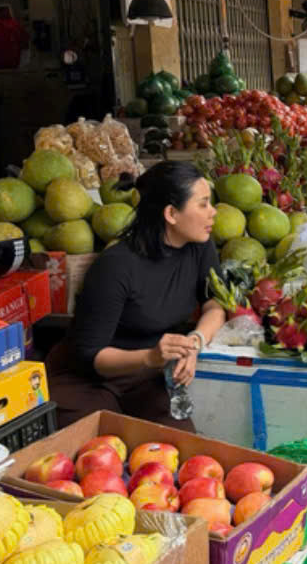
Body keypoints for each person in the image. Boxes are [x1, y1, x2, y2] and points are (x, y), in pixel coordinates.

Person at [46, 162, 227, 430]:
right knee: (105, 448)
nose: (213, 212)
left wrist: (195, 342)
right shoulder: (116, 266)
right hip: (86, 378)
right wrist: (149, 357)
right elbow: (89, 355)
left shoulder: (199, 247)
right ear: (171, 214)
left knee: (180, 447)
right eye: (203, 204)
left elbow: (215, 305)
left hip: (144, 377)